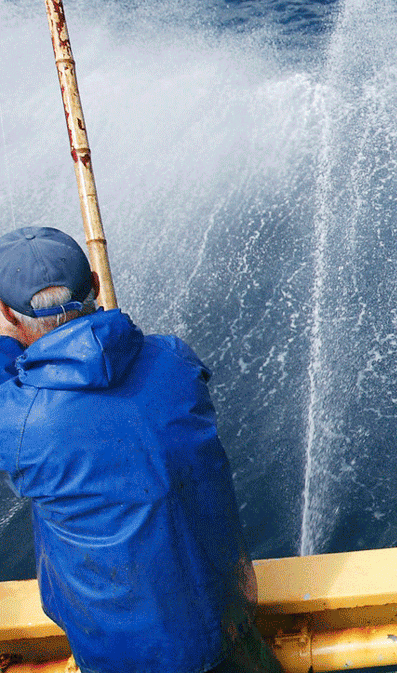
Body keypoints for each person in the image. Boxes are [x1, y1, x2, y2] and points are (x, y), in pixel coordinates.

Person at [0, 227, 280, 673]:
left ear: (6, 316)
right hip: (231, 632)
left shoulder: (20, 419)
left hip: (123, 658)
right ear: (94, 283)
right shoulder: (176, 362)